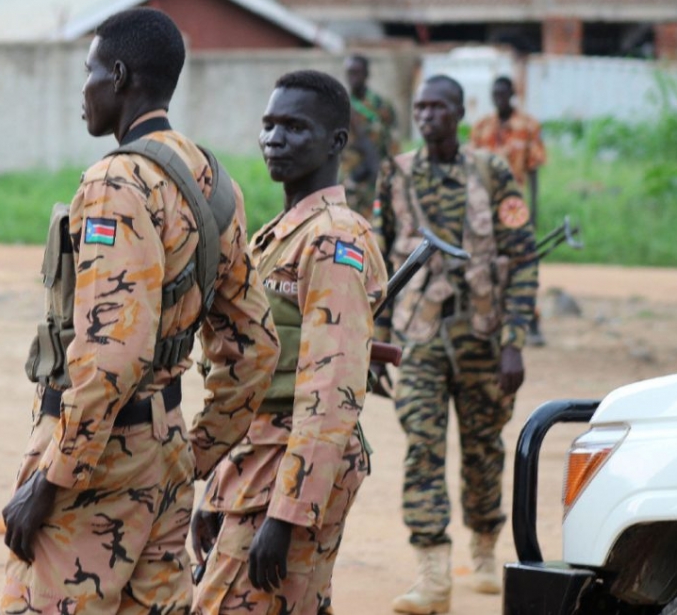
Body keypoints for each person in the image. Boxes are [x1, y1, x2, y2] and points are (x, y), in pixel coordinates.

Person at [0, 8, 280, 615]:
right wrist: (195, 452)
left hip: (96, 466)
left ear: (120, 77)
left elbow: (111, 356)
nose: (84, 88)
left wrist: (52, 482)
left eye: (90, 71)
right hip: (165, 450)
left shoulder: (116, 183)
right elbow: (256, 345)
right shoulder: (213, 181)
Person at [191, 70, 388, 615]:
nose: (275, 139)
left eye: (295, 128)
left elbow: (332, 389)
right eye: (269, 125)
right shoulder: (282, 233)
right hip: (260, 456)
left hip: (295, 464)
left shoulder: (333, 238)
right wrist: (218, 489)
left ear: (336, 143)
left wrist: (287, 514)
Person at [376, 75, 538, 614]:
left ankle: (485, 549)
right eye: (419, 107)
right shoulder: (395, 174)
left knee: (483, 448)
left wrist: (514, 341)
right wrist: (375, 341)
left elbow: (522, 254)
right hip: (416, 335)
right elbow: (379, 262)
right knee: (422, 444)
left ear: (459, 113)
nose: (426, 116)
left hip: (482, 334)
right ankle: (433, 573)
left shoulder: (493, 171)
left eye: (437, 107)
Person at [470, 76, 547, 346]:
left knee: (521, 261)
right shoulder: (481, 127)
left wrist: (534, 210)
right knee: (484, 260)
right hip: (483, 206)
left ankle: (530, 320)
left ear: (512, 95)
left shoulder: (528, 127)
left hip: (514, 207)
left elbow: (534, 170)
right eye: (495, 93)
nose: (499, 98)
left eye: (504, 93)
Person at [339, 54, 398, 220]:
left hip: (376, 176)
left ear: (366, 74)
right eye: (350, 73)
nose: (353, 77)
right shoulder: (341, 105)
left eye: (357, 72)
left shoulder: (382, 106)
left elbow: (393, 141)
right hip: (350, 177)